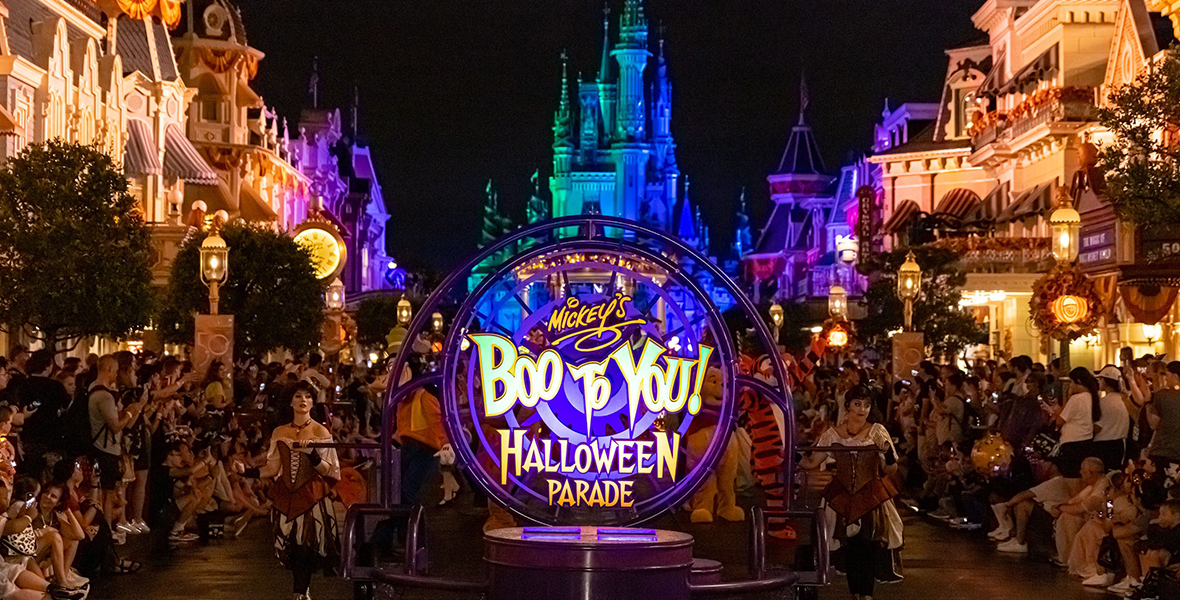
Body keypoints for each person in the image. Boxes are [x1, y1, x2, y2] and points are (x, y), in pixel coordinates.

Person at [799, 387, 903, 600]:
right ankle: (856, 593)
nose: (862, 410)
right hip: (842, 495)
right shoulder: (832, 434)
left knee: (869, 544)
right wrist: (791, 454)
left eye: (866, 405)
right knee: (850, 546)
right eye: (857, 404)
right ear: (847, 405)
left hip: (871, 495)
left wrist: (889, 457)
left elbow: (890, 470)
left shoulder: (877, 431)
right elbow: (812, 462)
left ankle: (866, 594)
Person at [245, 381, 340, 600]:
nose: (303, 400)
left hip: (311, 495)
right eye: (298, 396)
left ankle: (300, 592)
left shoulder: (320, 430)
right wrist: (247, 473)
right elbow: (273, 468)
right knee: (293, 547)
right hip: (287, 494)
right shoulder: (280, 431)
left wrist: (313, 455)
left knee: (307, 545)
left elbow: (331, 471)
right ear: (290, 401)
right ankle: (301, 590)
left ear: (313, 402)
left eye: (307, 396)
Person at [1043, 367, 1101, 481]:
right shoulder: (1091, 397)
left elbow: (1060, 421)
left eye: (1071, 382)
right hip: (1085, 440)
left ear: (1078, 381)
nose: (1069, 386)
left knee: (1071, 477)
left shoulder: (1076, 399)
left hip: (1072, 443)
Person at [1093, 365, 1130, 472]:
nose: (1099, 382)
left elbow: (1098, 427)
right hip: (1121, 444)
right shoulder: (1124, 400)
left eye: (1100, 379)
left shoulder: (1104, 402)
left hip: (1104, 445)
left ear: (1105, 381)